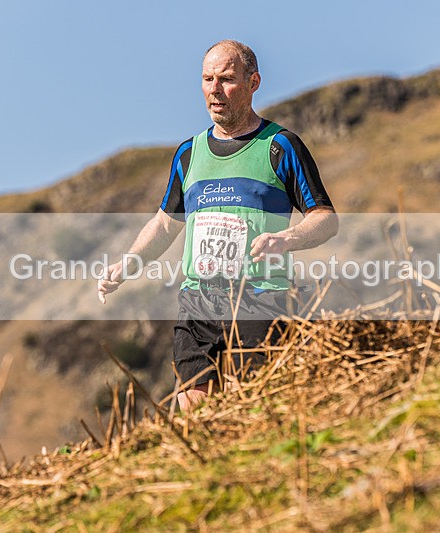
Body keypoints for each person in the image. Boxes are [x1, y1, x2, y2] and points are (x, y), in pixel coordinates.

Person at [98, 40, 337, 410]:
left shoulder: (280, 146)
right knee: (192, 407)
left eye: (226, 79)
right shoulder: (189, 153)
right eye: (208, 79)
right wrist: (129, 262)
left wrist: (287, 239)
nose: (215, 89)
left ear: (253, 82)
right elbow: (164, 224)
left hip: (260, 298)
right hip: (198, 302)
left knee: (250, 407)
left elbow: (325, 219)